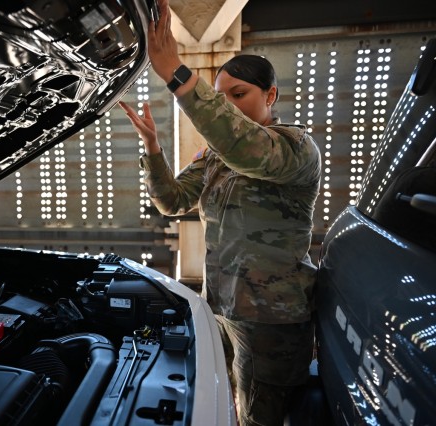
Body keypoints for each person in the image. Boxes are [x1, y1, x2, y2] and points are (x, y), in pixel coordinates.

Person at [119, 0, 322, 424]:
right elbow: (173, 201)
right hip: (223, 308)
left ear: (271, 95)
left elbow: (246, 149)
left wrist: (178, 73)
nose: (228, 104)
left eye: (239, 94)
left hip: (272, 323)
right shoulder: (216, 155)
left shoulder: (293, 148)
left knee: (259, 417)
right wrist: (153, 148)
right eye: (221, 95)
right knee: (221, 405)